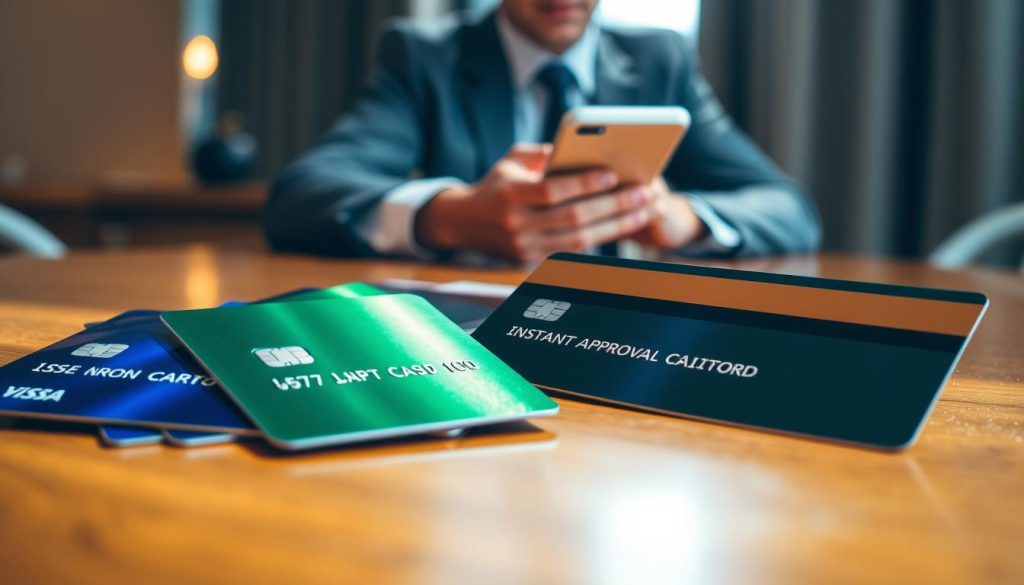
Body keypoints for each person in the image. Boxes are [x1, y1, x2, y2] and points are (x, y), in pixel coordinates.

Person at [266, 0, 821, 262]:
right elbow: (300, 197)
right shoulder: (422, 56)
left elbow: (790, 210)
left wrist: (684, 218)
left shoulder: (660, 59)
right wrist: (449, 216)